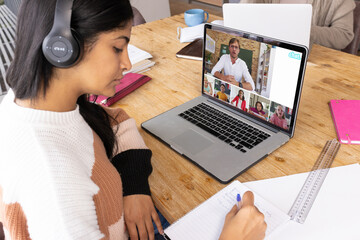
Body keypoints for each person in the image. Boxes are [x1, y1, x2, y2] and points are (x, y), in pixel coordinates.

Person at [0, 0, 267, 239]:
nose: (127, 63)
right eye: (118, 47)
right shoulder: (53, 184)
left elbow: (118, 121)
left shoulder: (40, 104)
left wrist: (133, 186)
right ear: (64, 46)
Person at [241, 0, 356, 50]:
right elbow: (243, 14)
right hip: (270, 50)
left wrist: (305, 31)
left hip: (313, 63)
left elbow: (343, 34)